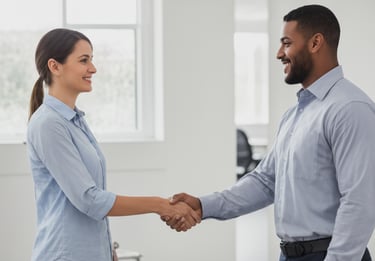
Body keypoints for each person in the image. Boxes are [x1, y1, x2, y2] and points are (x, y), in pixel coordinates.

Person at [164, 4, 375, 261]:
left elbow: (360, 202)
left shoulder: (350, 108)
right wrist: (203, 205)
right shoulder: (294, 114)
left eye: (286, 43)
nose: (279, 54)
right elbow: (265, 182)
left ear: (315, 43)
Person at [27, 28, 200, 261]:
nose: (93, 68)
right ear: (55, 66)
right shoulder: (48, 124)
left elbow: (92, 200)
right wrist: (161, 205)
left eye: (92, 59)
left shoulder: (75, 120)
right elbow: (89, 199)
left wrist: (107, 250)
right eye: (84, 60)